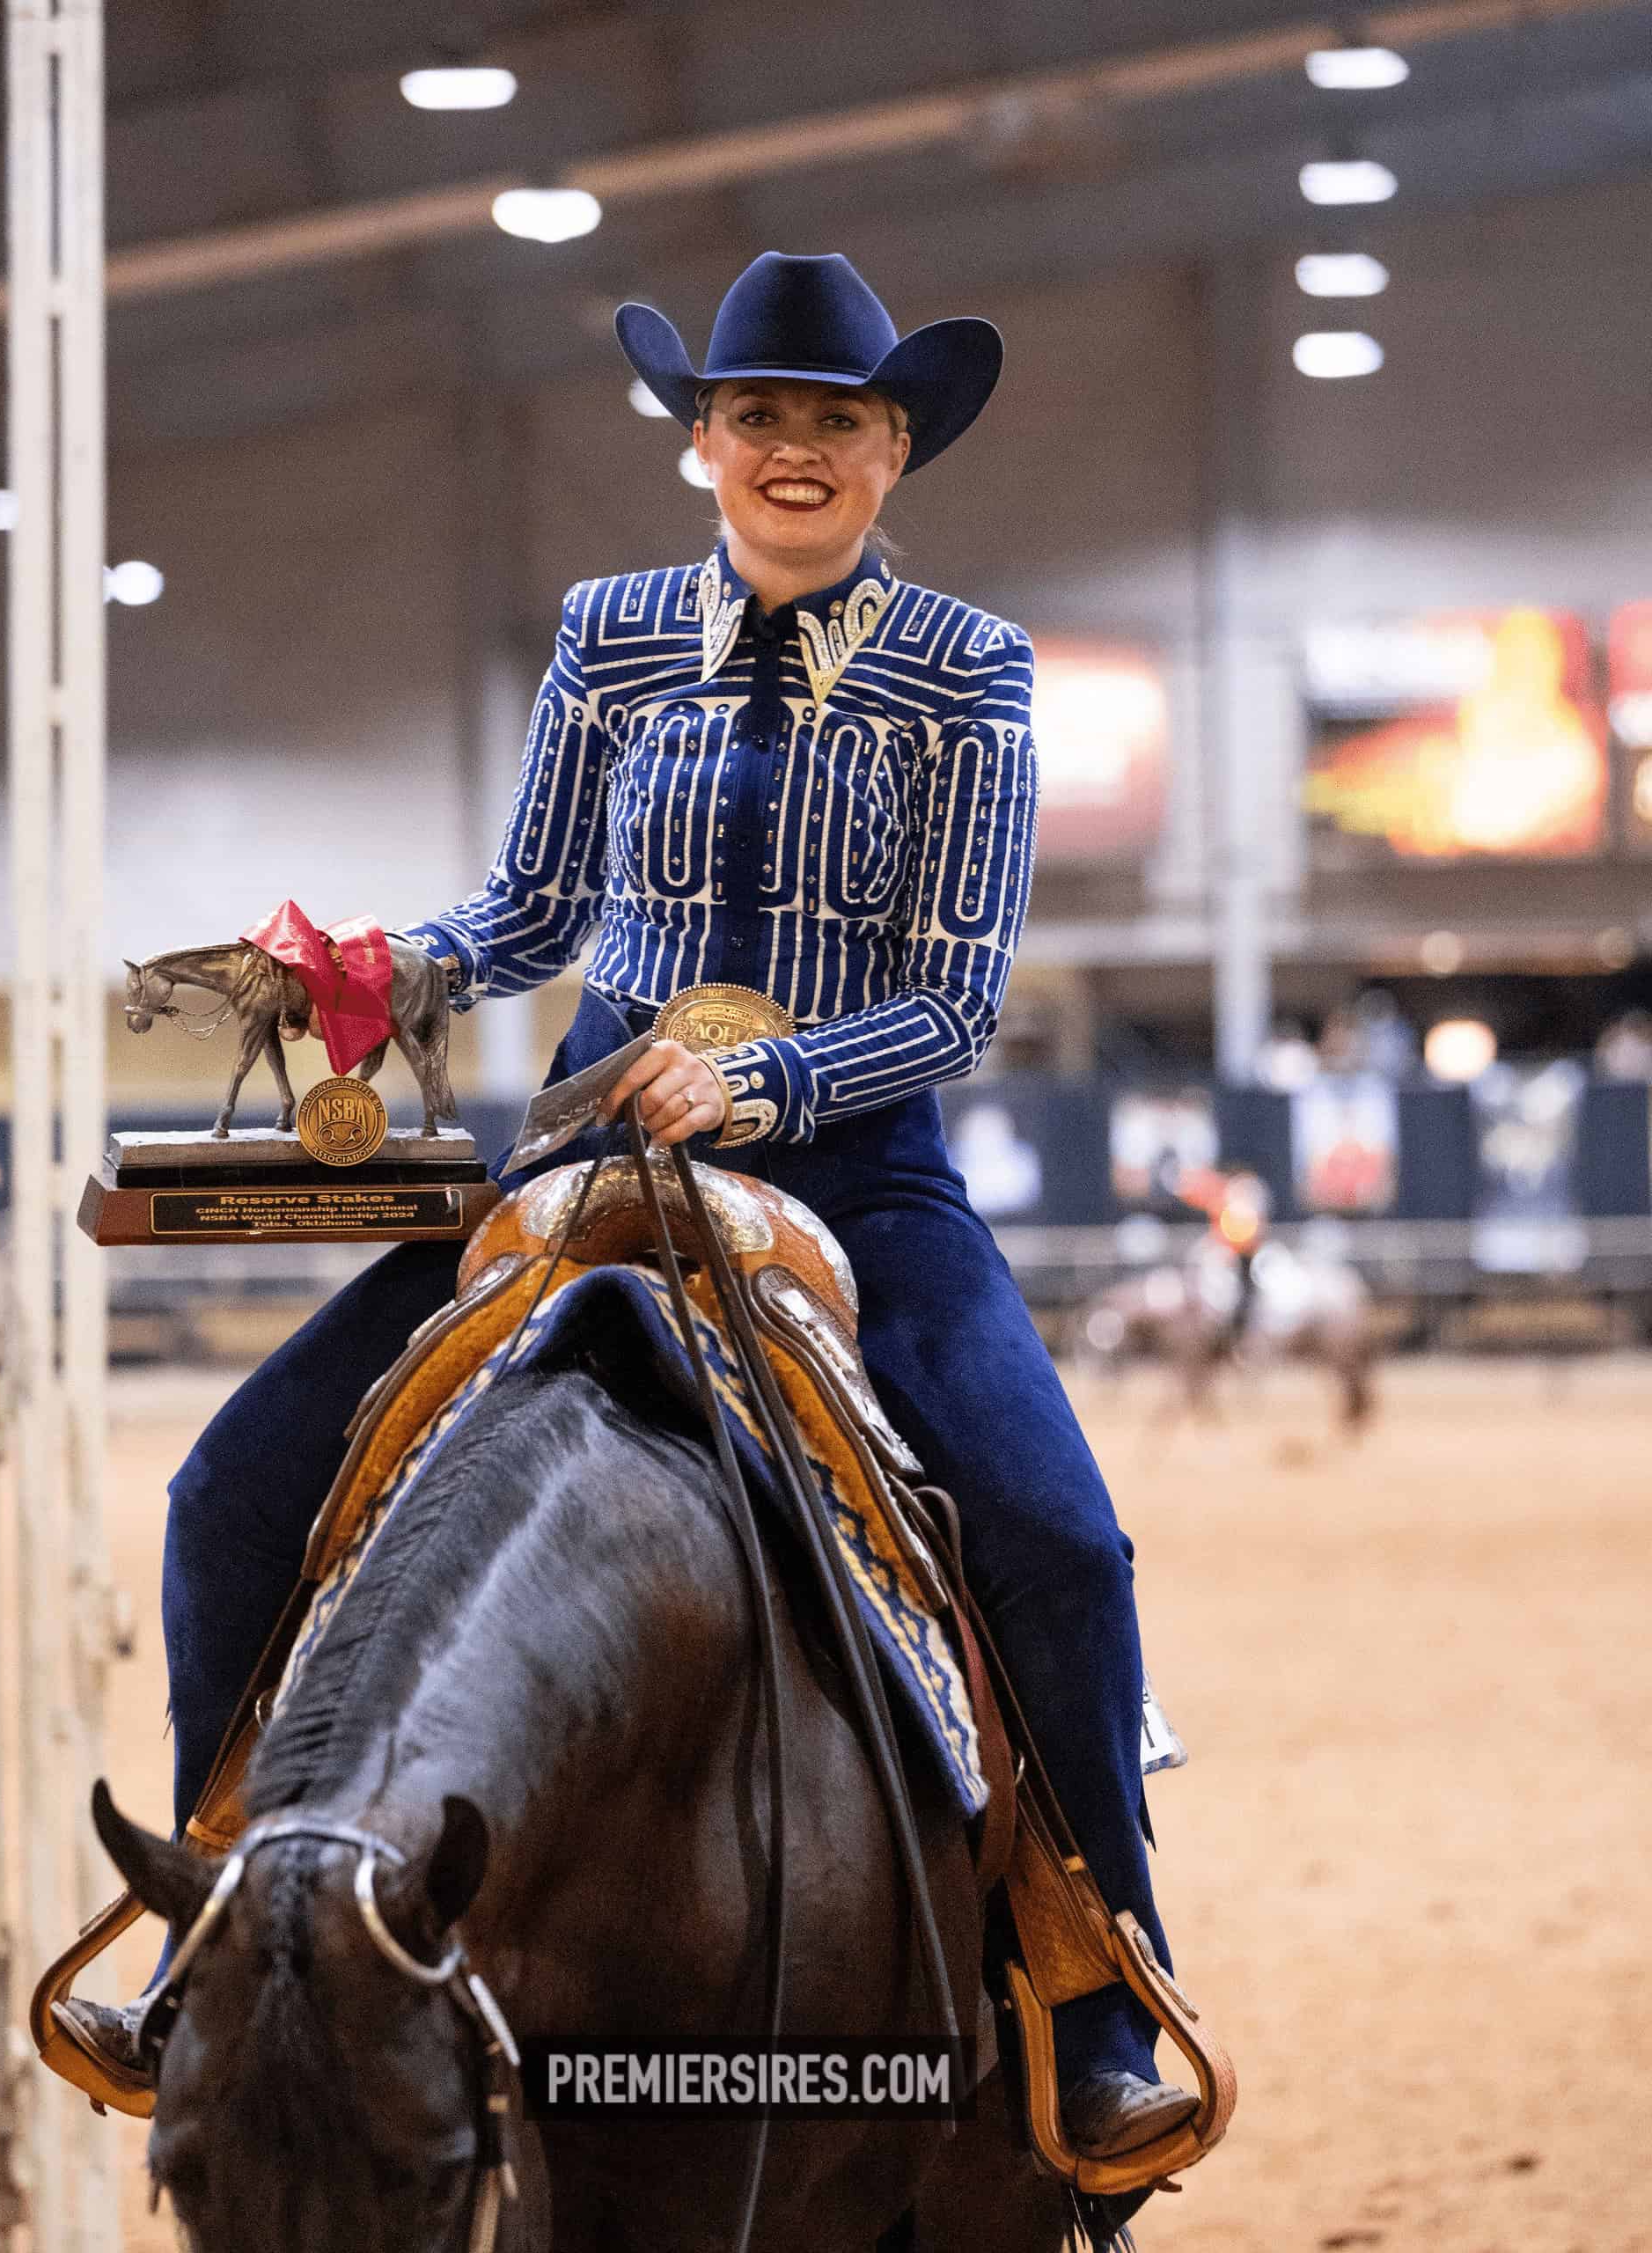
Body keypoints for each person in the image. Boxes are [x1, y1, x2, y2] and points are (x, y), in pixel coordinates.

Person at [66, 252, 1195, 2161]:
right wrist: (370, 969)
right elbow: (526, 913)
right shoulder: (607, 632)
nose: (793, 447)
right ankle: (223, 1938)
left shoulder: (972, 668)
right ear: (703, 443)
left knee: (1061, 1544)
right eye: (756, 415)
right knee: (228, 1494)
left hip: (857, 1170)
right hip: (589, 1150)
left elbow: (958, 998)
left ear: (894, 449)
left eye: (834, 420)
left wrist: (759, 1083)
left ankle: (1099, 1988)